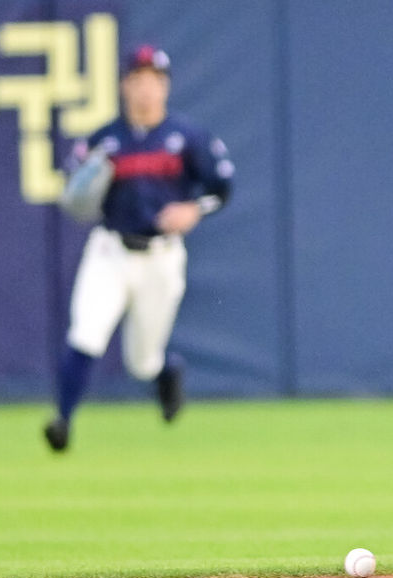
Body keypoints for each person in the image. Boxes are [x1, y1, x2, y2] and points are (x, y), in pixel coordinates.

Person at [44, 45, 234, 452]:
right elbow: (73, 195)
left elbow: (222, 188)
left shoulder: (186, 138)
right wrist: (80, 186)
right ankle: (61, 421)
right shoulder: (104, 139)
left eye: (154, 81)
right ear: (124, 86)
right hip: (110, 250)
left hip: (161, 256)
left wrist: (192, 208)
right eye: (138, 81)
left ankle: (168, 372)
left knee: (141, 360)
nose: (146, 90)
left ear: (165, 87)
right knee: (86, 334)